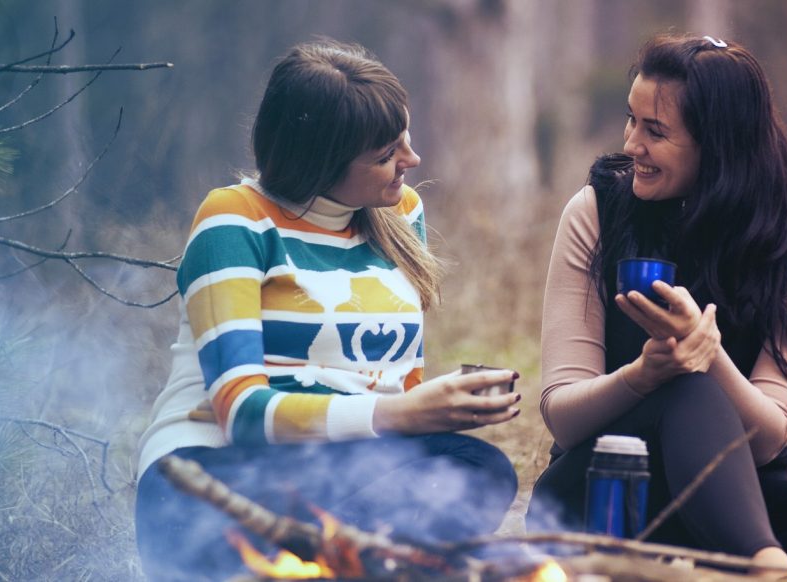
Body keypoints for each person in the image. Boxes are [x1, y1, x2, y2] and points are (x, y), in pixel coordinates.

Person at [530, 34, 787, 581]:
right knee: (682, 383)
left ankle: (728, 561)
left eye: (655, 131)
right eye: (631, 120)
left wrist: (711, 356)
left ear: (720, 145)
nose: (632, 144)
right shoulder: (597, 213)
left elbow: (773, 434)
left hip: (736, 504)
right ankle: (766, 568)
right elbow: (563, 417)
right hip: (600, 495)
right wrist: (645, 374)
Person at [135, 40, 520, 582]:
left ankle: (327, 563)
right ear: (320, 161)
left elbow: (395, 381)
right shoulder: (236, 220)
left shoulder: (400, 212)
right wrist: (402, 415)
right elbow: (243, 415)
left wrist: (429, 410)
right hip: (212, 478)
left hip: (338, 474)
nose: (410, 162)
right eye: (387, 154)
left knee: (479, 468)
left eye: (405, 140)